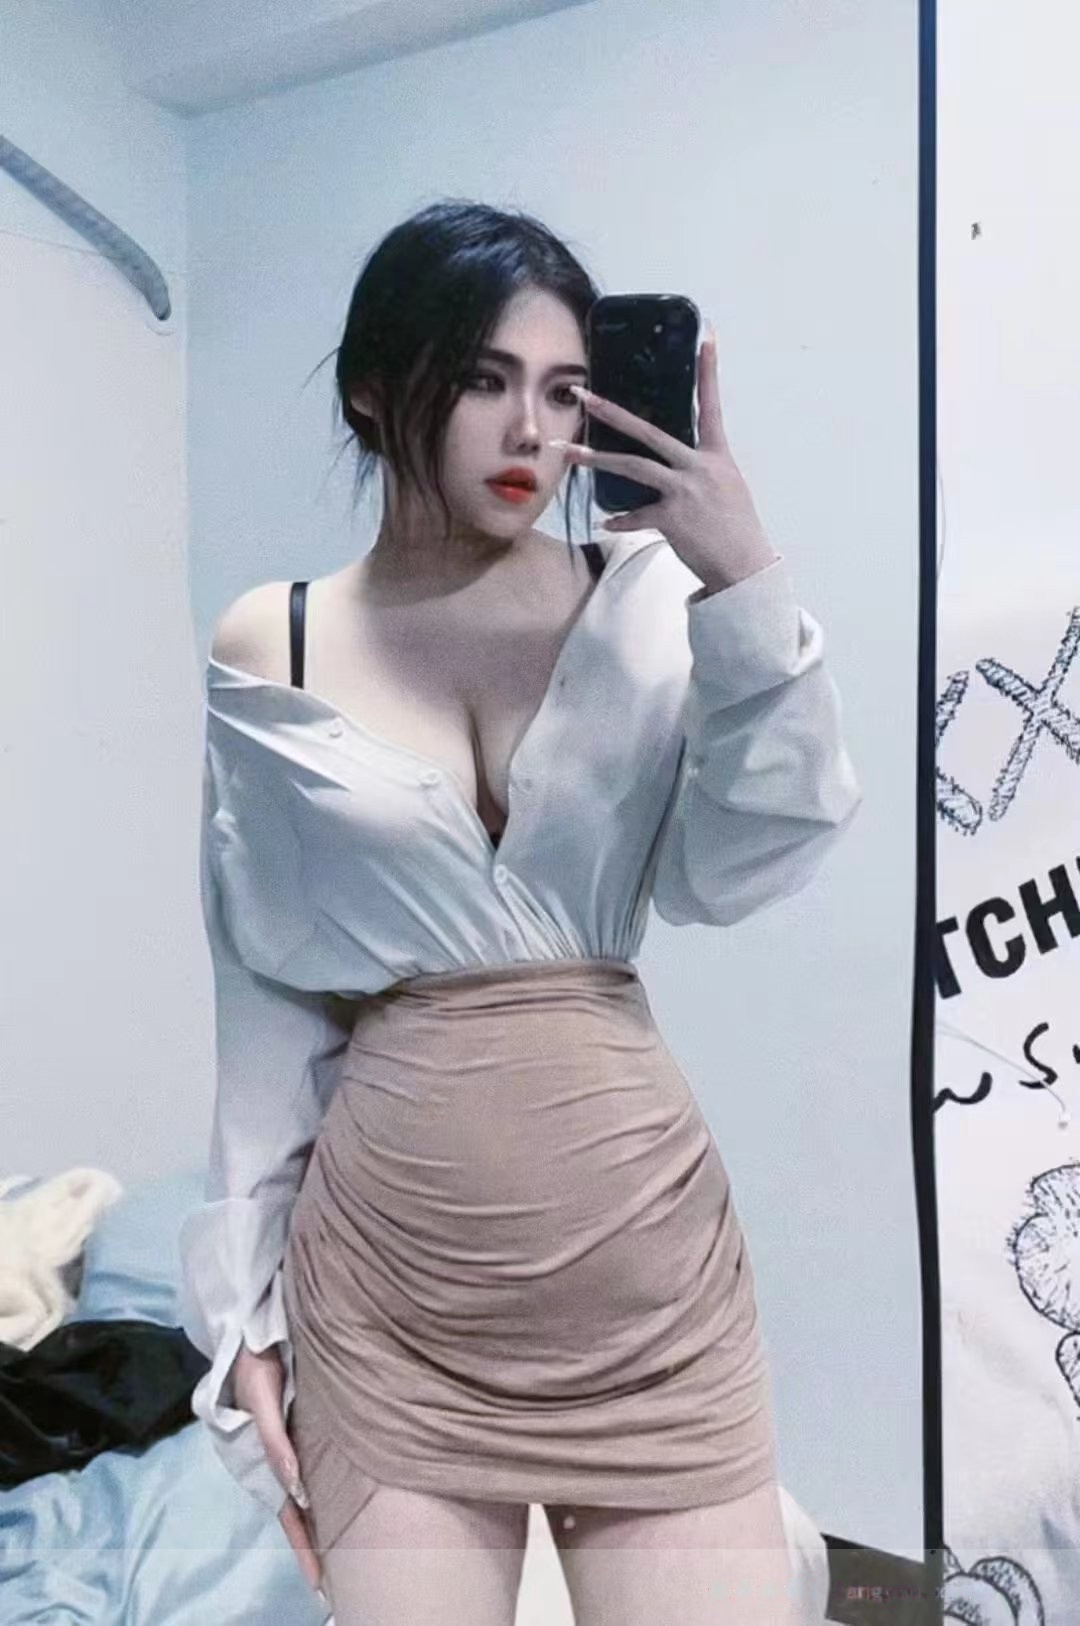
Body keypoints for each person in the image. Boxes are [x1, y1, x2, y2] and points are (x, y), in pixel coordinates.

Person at [178, 198, 862, 1626]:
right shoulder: (274, 637)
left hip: (647, 1282)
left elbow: (741, 865)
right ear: (376, 388)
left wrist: (746, 585)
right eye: (484, 379)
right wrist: (242, 1316)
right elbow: (266, 997)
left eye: (563, 391)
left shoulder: (646, 595)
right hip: (391, 1300)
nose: (530, 431)